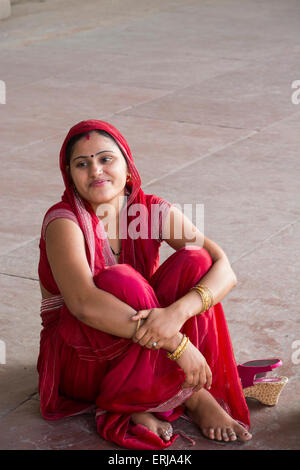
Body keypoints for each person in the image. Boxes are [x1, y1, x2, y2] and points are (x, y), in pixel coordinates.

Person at [37, 119, 252, 449]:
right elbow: (83, 304)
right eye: (82, 164)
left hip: (141, 338)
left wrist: (177, 314)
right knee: (120, 280)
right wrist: (179, 345)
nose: (95, 171)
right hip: (81, 357)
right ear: (70, 175)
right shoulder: (64, 222)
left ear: (127, 165)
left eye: (105, 159)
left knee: (196, 260)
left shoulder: (149, 210)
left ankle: (146, 398)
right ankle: (191, 396)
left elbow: (224, 268)